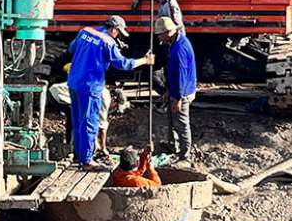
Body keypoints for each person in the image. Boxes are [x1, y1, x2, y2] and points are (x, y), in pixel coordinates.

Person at [67, 15, 154, 171]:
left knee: (78, 120)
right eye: (118, 33)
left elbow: (72, 48)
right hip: (90, 85)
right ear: (113, 29)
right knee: (89, 122)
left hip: (74, 81)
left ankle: (78, 155)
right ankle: (86, 160)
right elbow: (123, 64)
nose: (118, 36)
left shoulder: (85, 31)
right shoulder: (108, 42)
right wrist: (144, 61)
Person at [49, 63, 113, 161]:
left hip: (61, 92)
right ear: (115, 100)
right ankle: (74, 151)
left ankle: (74, 150)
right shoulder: (104, 97)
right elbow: (102, 126)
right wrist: (103, 148)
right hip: (59, 94)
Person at [155, 17, 196, 162]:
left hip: (182, 93)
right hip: (177, 91)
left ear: (168, 33)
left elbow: (181, 76)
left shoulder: (179, 49)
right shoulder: (176, 43)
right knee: (172, 120)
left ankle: (185, 155)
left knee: (181, 123)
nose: (158, 37)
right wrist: (168, 92)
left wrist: (177, 98)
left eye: (160, 34)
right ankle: (174, 147)